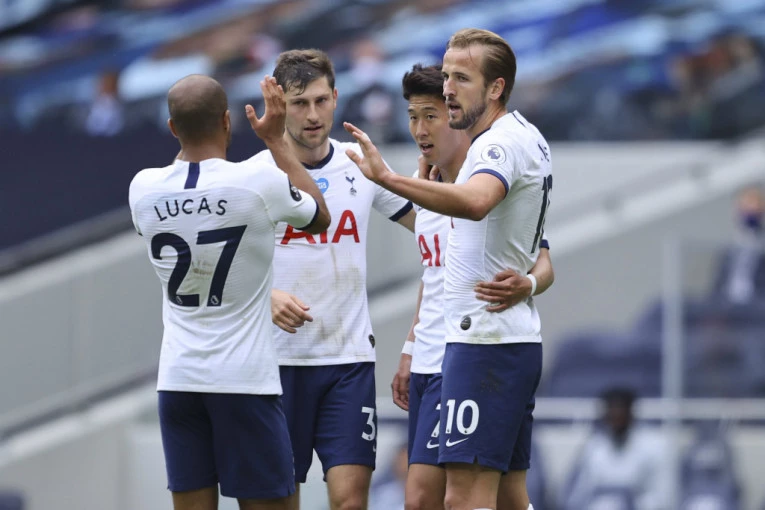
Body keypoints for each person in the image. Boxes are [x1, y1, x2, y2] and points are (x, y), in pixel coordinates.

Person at [345, 28, 553, 510]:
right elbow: (447, 266)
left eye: (462, 78)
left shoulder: (496, 147)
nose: (449, 88)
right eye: (447, 77)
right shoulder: (518, 139)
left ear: (495, 88)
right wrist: (411, 346)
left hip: (483, 345)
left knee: (461, 498)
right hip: (494, 343)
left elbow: (477, 203)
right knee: (509, 497)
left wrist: (386, 178)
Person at [128, 74, 330, 510]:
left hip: (178, 381)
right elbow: (318, 216)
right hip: (243, 381)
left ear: (172, 127)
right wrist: (275, 141)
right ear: (227, 121)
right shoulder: (257, 180)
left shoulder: (142, 188)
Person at [246, 49, 416, 510]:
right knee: (280, 500)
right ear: (278, 105)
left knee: (350, 501)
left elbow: (431, 229)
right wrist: (265, 297)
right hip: (275, 363)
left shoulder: (360, 164)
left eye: (321, 101)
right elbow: (217, 268)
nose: (313, 115)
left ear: (336, 98)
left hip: (348, 360)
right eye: (299, 103)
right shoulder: (253, 176)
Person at [562, 388, 670, 510]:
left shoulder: (654, 445)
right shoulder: (593, 447)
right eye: (612, 411)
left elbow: (663, 496)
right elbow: (577, 495)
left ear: (630, 412)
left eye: (620, 410)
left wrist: (629, 503)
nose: (616, 416)